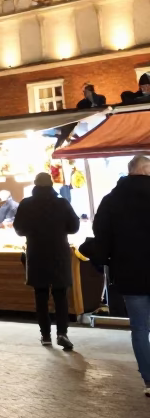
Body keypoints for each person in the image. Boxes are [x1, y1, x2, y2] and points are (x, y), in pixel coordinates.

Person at [81, 155, 150, 397]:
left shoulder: (111, 200)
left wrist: (97, 255)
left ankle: (149, 380)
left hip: (130, 274)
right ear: (146, 171)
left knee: (140, 328)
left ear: (130, 171)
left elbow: (101, 237)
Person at [12, 173, 81, 350]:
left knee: (40, 296)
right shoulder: (62, 203)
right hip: (59, 253)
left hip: (36, 254)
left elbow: (19, 230)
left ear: (35, 185)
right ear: (51, 185)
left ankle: (45, 336)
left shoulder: (26, 204)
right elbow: (74, 227)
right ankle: (62, 333)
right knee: (60, 296)